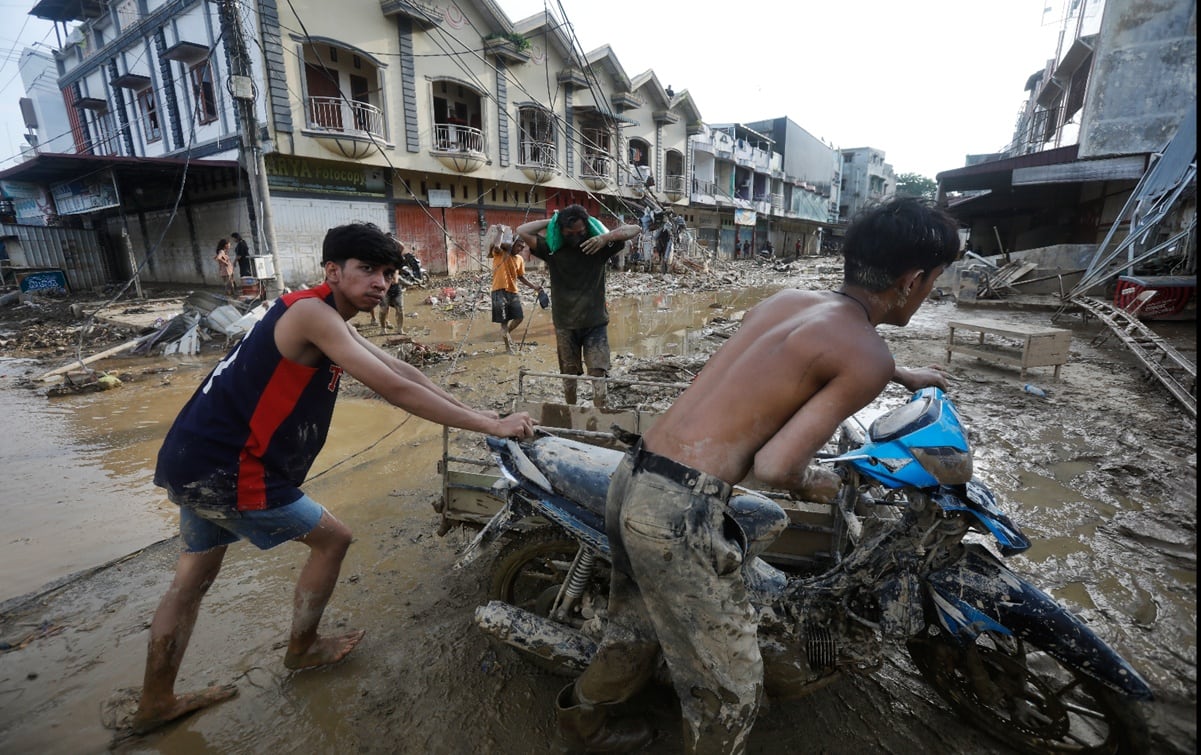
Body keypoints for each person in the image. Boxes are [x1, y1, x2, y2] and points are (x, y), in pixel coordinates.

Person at [554, 197, 961, 753]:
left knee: (634, 628)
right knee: (733, 689)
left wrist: (900, 372)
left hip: (636, 475)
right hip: (681, 511)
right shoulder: (868, 356)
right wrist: (821, 483)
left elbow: (785, 358)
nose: (930, 290)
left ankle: (583, 724)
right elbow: (775, 467)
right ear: (912, 281)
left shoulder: (788, 301)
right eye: (934, 280)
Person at [131, 222, 535, 735]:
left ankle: (156, 702)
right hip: (227, 467)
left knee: (191, 579)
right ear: (333, 271)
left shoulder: (321, 311)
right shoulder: (313, 316)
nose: (381, 282)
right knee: (333, 539)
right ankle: (302, 649)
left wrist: (480, 413)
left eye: (388, 273)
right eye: (367, 270)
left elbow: (405, 373)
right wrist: (492, 427)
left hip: (193, 457)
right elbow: (393, 390)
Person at [515, 205, 640, 408]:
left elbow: (635, 229)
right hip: (565, 325)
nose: (576, 237)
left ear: (587, 227)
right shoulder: (552, 250)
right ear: (561, 230)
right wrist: (553, 221)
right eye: (569, 233)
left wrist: (604, 238)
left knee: (598, 374)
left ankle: (599, 412)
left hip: (595, 323)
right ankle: (571, 411)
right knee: (568, 376)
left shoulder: (598, 247)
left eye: (581, 231)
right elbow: (522, 230)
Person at [485, 224, 542, 353]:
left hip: (513, 291)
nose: (520, 249)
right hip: (499, 290)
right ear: (512, 244)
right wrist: (500, 231)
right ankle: (507, 347)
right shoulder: (501, 253)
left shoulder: (520, 259)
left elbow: (521, 276)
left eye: (522, 247)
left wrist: (534, 286)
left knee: (519, 317)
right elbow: (497, 246)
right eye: (519, 246)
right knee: (504, 321)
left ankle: (506, 334)